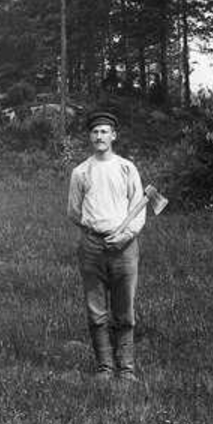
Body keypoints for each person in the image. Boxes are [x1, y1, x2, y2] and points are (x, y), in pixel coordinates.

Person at [66, 111, 146, 382]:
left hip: (125, 247)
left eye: (104, 131)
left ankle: (126, 369)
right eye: (95, 132)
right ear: (90, 137)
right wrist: (95, 231)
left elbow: (139, 209)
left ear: (114, 136)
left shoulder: (127, 168)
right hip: (92, 247)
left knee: (125, 310)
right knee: (96, 310)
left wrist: (125, 235)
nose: (99, 136)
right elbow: (73, 211)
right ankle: (104, 367)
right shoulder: (81, 172)